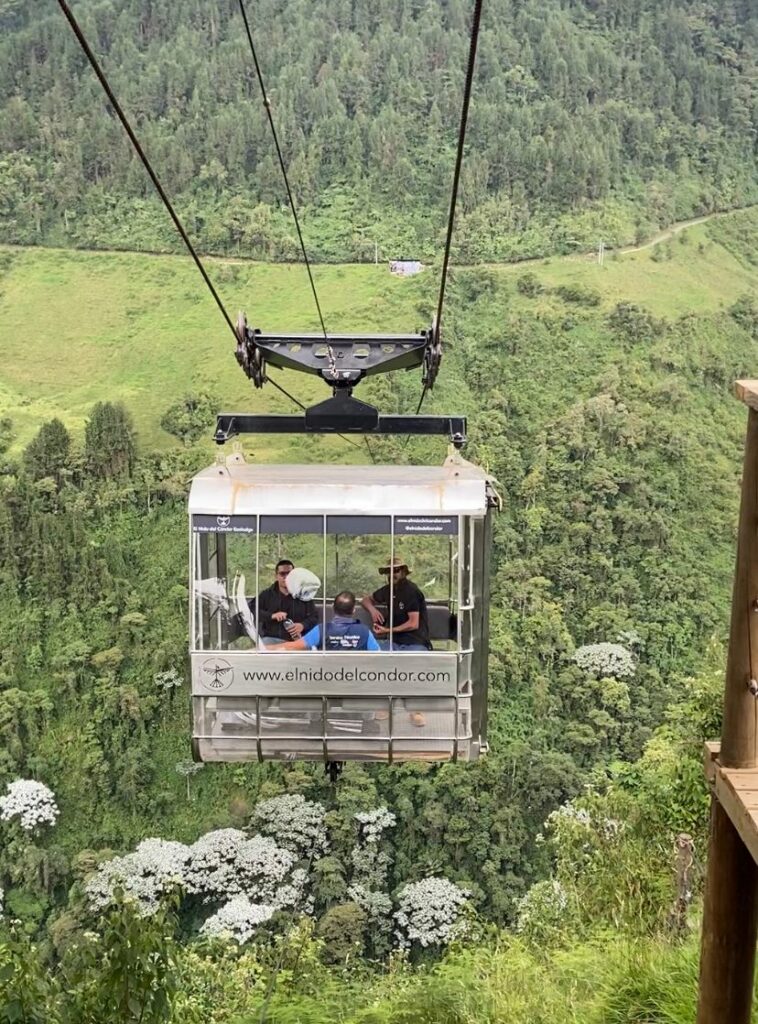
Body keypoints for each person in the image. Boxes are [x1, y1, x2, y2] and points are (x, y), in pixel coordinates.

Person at [268, 591, 381, 651]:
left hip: (326, 681)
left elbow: (292, 646)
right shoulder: (365, 631)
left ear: (333, 607)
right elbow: (378, 656)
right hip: (356, 680)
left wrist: (263, 649)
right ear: (353, 610)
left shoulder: (322, 630)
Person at [362, 556, 431, 651]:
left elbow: (413, 623)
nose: (392, 574)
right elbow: (365, 600)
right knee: (367, 647)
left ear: (403, 572)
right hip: (393, 642)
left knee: (411, 659)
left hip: (414, 642)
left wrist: (386, 630)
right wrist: (373, 611)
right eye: (388, 571)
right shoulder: (388, 590)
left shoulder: (411, 591)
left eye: (396, 570)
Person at [255, 559, 318, 646]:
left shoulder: (304, 593)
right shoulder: (266, 595)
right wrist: (271, 616)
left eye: (289, 573)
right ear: (276, 576)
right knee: (262, 647)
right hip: (272, 639)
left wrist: (302, 625)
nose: (286, 576)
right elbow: (252, 610)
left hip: (298, 641)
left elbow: (314, 617)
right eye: (282, 574)